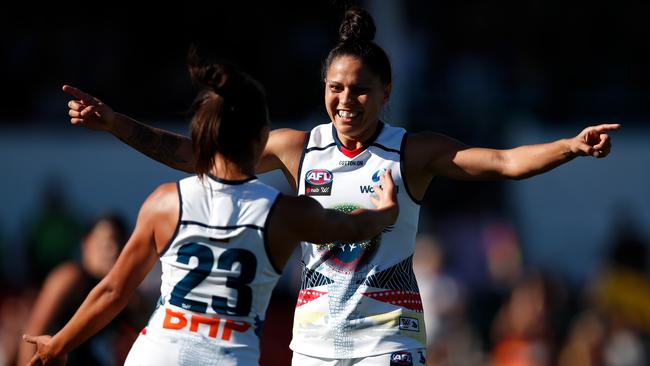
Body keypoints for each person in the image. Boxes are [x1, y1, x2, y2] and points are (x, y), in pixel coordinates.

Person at [61, 7, 619, 365]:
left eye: (360, 90)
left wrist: (570, 146)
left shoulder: (411, 151)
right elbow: (192, 156)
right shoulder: (296, 147)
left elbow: (501, 160)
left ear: (386, 92)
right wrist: (114, 123)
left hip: (390, 340)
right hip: (313, 343)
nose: (346, 101)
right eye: (336, 88)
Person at [24, 49, 398, 365]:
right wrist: (386, 211)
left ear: (204, 135)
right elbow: (354, 228)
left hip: (156, 355)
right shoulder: (286, 213)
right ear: (260, 137)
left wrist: (58, 345)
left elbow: (112, 292)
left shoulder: (166, 201)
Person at [18, 213, 134, 366]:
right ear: (86, 243)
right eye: (106, 242)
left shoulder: (122, 292)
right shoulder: (70, 278)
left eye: (120, 244)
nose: (112, 251)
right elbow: (32, 335)